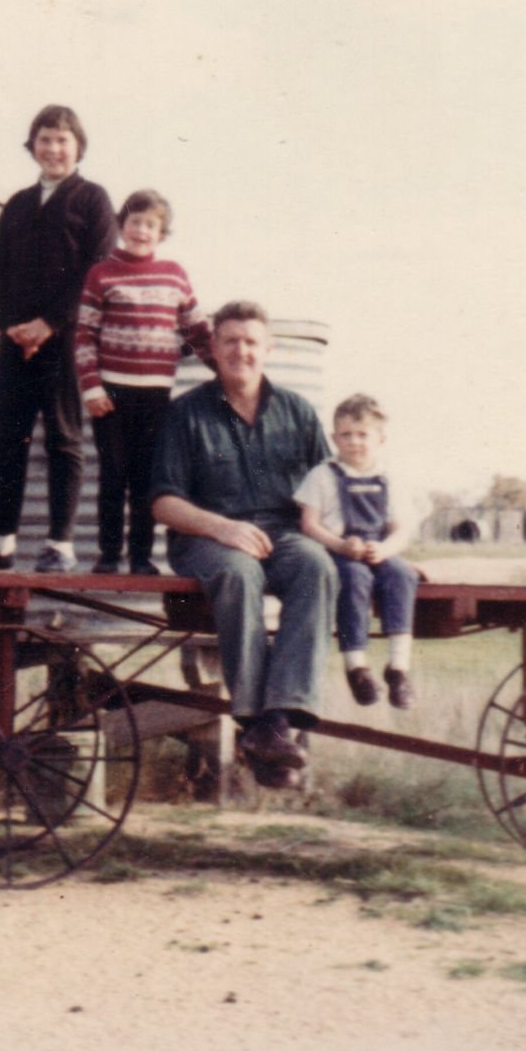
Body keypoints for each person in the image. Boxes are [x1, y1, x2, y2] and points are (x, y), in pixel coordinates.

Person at [150, 301, 335, 788]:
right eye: (230, 340)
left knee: (317, 566)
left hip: (283, 535)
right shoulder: (186, 413)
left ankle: (280, 720)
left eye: (251, 341)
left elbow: (330, 495)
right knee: (238, 571)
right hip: (206, 538)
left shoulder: (297, 412)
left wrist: (374, 551)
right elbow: (163, 502)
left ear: (268, 349)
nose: (241, 351)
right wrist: (220, 528)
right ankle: (257, 723)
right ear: (213, 347)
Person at [0, 104, 118, 573]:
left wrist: (50, 323)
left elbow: (99, 269)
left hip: (66, 340)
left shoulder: (93, 199)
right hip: (16, 341)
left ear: (77, 146)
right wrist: (10, 325)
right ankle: (0, 543)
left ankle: (60, 546)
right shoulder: (19, 203)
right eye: (45, 139)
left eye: (62, 140)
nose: (53, 149)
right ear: (32, 146)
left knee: (63, 438)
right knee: (8, 439)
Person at [74, 188, 210, 575]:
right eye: (136, 221)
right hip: (111, 395)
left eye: (151, 225)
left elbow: (197, 329)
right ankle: (108, 556)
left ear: (162, 233)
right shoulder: (101, 274)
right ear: (122, 225)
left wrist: (224, 370)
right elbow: (83, 335)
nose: (142, 230)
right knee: (113, 476)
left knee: (147, 478)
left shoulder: (174, 276)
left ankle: (141, 558)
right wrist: (91, 386)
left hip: (155, 395)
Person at [295, 393, 418, 708]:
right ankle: (357, 666)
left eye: (363, 434)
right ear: (334, 437)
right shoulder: (323, 475)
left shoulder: (389, 477)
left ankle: (399, 669)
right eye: (346, 435)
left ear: (380, 438)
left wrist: (386, 548)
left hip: (377, 547)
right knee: (354, 580)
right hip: (339, 550)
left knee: (403, 575)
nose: (354, 442)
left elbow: (402, 527)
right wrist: (339, 545)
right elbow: (308, 523)